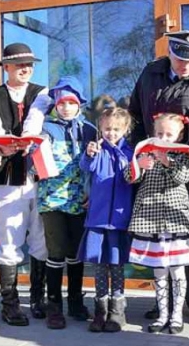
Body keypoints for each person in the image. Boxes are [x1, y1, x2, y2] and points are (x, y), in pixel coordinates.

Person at [128, 30, 189, 324]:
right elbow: (136, 113)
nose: (186, 66)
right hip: (152, 175)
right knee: (160, 243)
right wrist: (135, 153)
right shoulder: (150, 73)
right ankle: (165, 306)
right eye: (181, 59)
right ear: (170, 53)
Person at [0, 42, 50, 326]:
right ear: (6, 67)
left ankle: (38, 297)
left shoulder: (41, 93)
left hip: (40, 175)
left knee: (42, 238)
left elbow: (40, 122)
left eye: (29, 64)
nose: (26, 69)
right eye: (19, 64)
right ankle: (10, 303)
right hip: (8, 177)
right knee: (9, 237)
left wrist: (29, 138)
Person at [31, 77, 96, 329]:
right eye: (61, 103)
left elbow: (94, 167)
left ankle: (76, 302)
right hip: (53, 201)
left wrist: (93, 192)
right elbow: (33, 160)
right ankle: (54, 305)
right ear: (55, 105)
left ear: (79, 103)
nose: (66, 107)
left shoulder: (89, 130)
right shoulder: (45, 129)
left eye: (71, 102)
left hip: (80, 200)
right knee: (56, 252)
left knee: (75, 254)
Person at [128, 113, 189, 335]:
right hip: (150, 219)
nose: (163, 137)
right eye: (159, 133)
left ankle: (177, 315)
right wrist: (138, 165)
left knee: (177, 270)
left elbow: (183, 177)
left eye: (169, 134)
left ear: (179, 135)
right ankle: (162, 314)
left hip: (175, 220)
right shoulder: (145, 151)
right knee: (159, 271)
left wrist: (167, 160)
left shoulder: (183, 154)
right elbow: (130, 178)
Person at [79, 107, 134, 333]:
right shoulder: (96, 151)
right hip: (98, 219)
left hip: (119, 220)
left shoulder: (130, 153)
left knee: (117, 265)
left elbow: (132, 177)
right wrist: (89, 153)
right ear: (100, 129)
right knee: (100, 266)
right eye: (107, 129)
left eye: (116, 129)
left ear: (125, 130)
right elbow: (86, 167)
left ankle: (117, 312)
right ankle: (100, 310)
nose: (111, 133)